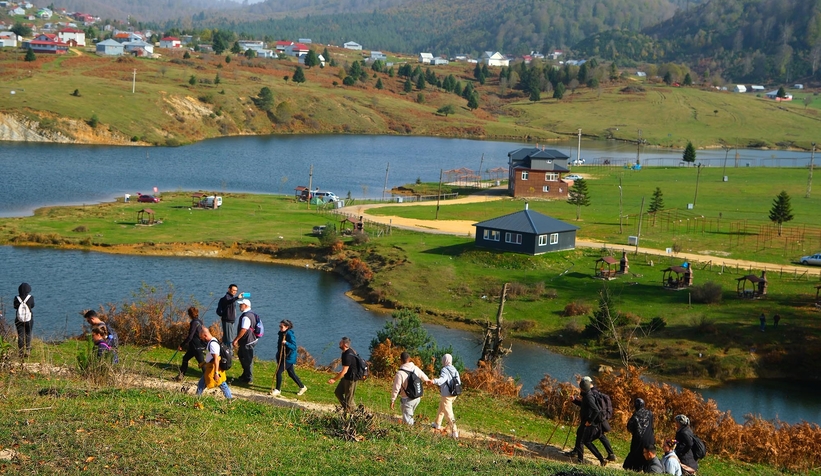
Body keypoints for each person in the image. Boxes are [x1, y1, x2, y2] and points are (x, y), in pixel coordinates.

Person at [565, 378, 606, 466]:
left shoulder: (588, 397)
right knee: (586, 441)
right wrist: (574, 401)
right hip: (587, 422)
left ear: (582, 388)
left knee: (581, 441)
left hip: (588, 423)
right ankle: (601, 460)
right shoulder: (587, 395)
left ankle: (580, 461)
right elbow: (584, 406)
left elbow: (596, 410)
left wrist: (589, 421)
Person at [390, 351, 431, 425]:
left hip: (407, 400)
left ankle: (411, 433)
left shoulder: (400, 373)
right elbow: (425, 378)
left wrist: (393, 400)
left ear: (401, 360)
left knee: (408, 422)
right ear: (409, 359)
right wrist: (428, 381)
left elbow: (396, 388)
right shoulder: (415, 368)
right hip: (417, 398)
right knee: (409, 416)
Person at [582, 376, 617, 463]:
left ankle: (601, 459)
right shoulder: (596, 391)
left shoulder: (591, 394)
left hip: (595, 421)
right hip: (600, 420)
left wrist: (589, 421)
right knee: (601, 436)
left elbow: (593, 408)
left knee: (585, 439)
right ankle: (611, 454)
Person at [271, 320, 307, 397]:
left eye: (281, 326)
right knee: (291, 373)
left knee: (278, 372)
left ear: (287, 327)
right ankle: (302, 387)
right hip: (282, 356)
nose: (280, 328)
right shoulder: (281, 333)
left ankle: (277, 390)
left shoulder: (290, 334)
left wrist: (286, 343)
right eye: (279, 326)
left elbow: (294, 347)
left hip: (289, 357)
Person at [196, 326, 232, 400]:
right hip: (211, 367)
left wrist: (216, 373)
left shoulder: (212, 344)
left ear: (205, 335)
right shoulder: (213, 340)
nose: (201, 339)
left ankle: (229, 399)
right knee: (203, 383)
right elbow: (211, 357)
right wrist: (203, 363)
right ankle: (197, 397)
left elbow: (216, 359)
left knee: (221, 384)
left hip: (213, 369)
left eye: (201, 337)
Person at [430, 353, 461, 439]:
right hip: (454, 394)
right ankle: (437, 423)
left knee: (449, 414)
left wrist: (434, 381)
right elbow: (459, 382)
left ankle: (454, 432)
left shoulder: (444, 370)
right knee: (442, 408)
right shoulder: (455, 369)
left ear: (444, 360)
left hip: (446, 395)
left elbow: (442, 380)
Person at [625, 397, 655, 471]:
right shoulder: (650, 413)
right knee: (647, 454)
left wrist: (634, 432)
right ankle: (647, 470)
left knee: (635, 454)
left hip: (638, 440)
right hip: (649, 438)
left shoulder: (635, 415)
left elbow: (629, 427)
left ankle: (635, 469)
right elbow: (651, 425)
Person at [175, 307, 205, 381]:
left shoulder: (194, 323)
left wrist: (182, 345)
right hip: (195, 346)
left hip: (196, 346)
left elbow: (190, 336)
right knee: (185, 358)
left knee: (202, 363)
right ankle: (180, 376)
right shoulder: (200, 322)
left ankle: (211, 379)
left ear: (190, 314)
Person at [327, 336, 357, 412]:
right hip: (346, 377)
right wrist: (341, 372)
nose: (339, 343)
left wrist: (334, 379)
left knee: (349, 399)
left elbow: (345, 371)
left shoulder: (347, 355)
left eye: (341, 342)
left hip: (351, 379)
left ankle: (354, 414)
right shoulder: (345, 353)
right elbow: (346, 369)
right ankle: (347, 409)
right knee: (338, 392)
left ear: (345, 344)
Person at [232, 299, 257, 385]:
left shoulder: (246, 317)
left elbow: (244, 329)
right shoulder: (251, 313)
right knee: (241, 355)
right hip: (249, 340)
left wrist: (236, 339)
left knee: (248, 359)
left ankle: (249, 378)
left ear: (245, 305)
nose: (239, 306)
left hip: (248, 341)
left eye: (241, 305)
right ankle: (245, 373)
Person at [13, 282, 34, 358]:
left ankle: (21, 352)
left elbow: (15, 307)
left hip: (19, 319)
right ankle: (28, 350)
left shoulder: (16, 298)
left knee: (20, 335)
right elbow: (33, 305)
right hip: (29, 319)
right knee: (28, 333)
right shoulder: (30, 298)